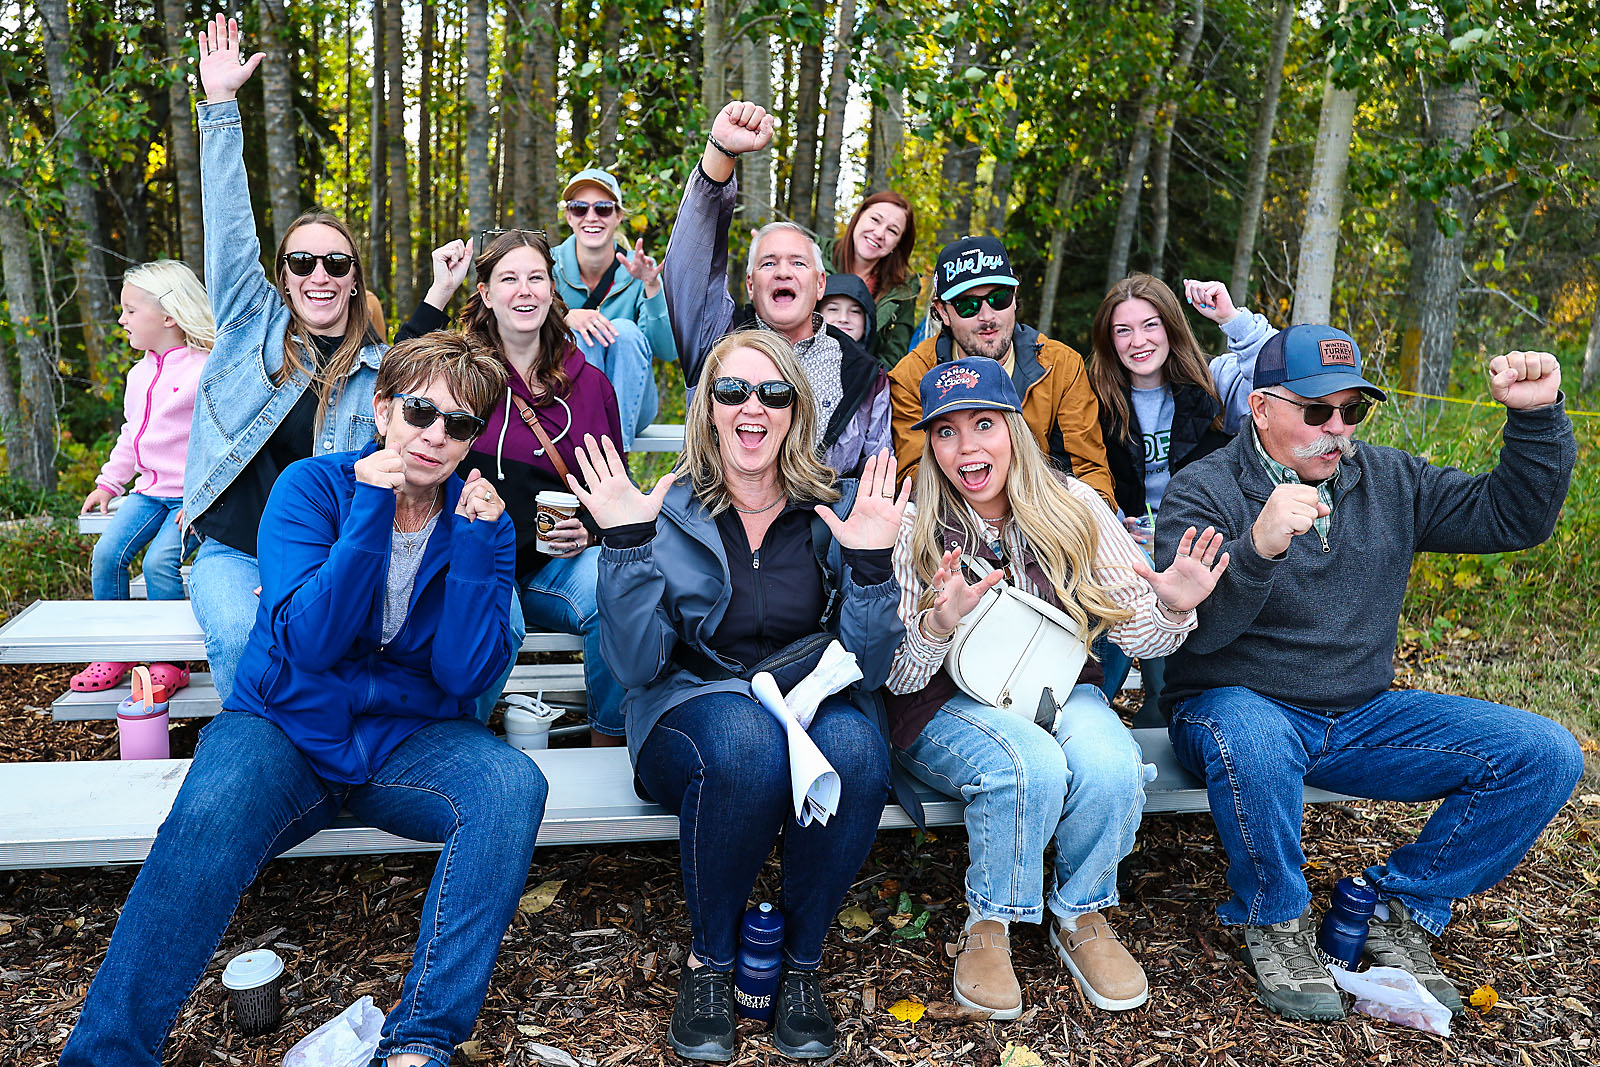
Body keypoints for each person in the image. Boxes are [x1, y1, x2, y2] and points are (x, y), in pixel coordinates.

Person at [61, 330, 545, 1067]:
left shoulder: (482, 522)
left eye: (461, 424)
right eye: (420, 411)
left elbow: (462, 674)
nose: (436, 435)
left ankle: (419, 1041)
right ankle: (108, 1054)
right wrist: (371, 509)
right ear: (381, 410)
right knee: (208, 814)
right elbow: (311, 642)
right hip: (283, 723)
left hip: (404, 737)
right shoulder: (312, 488)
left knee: (511, 785)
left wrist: (479, 546)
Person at [1155, 327, 1583, 1022]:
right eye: (1317, 411)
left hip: (1359, 713)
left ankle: (1402, 906)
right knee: (1254, 734)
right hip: (1233, 703)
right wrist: (1258, 548)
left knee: (1545, 752)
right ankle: (1276, 921)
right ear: (1261, 407)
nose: (1337, 429)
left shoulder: (1387, 479)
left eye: (1353, 411)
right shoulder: (1202, 491)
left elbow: (1512, 517)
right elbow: (1194, 636)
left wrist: (1535, 418)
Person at [578, 330, 906, 1061]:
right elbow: (636, 665)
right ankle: (711, 962)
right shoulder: (664, 510)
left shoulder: (837, 509)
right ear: (709, 410)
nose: (752, 406)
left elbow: (869, 667)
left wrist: (873, 564)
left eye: (772, 392)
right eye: (732, 391)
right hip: (691, 707)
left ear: (796, 409)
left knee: (858, 747)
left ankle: (801, 963)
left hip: (809, 701)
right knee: (743, 738)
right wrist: (627, 547)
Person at [884, 356, 1228, 1018]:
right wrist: (937, 622)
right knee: (1030, 762)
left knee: (1111, 760)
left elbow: (1140, 638)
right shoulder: (914, 523)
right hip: (942, 703)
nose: (967, 447)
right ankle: (991, 921)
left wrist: (1175, 607)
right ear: (929, 443)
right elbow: (899, 675)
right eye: (947, 432)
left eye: (984, 423)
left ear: (1015, 427)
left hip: (1054, 685)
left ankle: (1083, 912)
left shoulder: (1074, 507)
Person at [184, 15, 385, 706]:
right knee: (245, 634)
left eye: (336, 262)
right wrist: (220, 108)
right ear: (282, 273)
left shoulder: (380, 372)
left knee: (348, 646)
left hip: (325, 558)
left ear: (356, 278)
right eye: (302, 261)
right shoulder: (249, 325)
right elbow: (230, 222)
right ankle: (264, 768)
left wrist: (308, 567)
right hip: (233, 551)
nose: (318, 275)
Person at [400, 231, 627, 743]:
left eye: (535, 278)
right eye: (508, 279)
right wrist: (440, 291)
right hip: (473, 551)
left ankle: (610, 741)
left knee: (616, 587)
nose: (524, 291)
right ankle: (456, 746)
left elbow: (615, 487)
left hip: (554, 563)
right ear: (484, 293)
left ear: (551, 289)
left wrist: (588, 532)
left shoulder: (589, 386)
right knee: (501, 618)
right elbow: (399, 383)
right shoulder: (463, 373)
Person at [1084, 275, 1275, 720]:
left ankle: (1165, 715)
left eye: (1150, 325)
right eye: (1123, 330)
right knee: (1119, 595)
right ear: (1109, 340)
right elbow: (1073, 466)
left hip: (1194, 549)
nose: (1138, 341)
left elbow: (1277, 373)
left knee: (1167, 686)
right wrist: (1111, 519)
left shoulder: (1214, 383)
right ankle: (1091, 712)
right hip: (1119, 552)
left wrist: (1231, 318)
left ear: (1171, 326)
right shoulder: (1093, 395)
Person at [664, 100, 890, 477]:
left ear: (820, 284)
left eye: (798, 263)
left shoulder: (864, 375)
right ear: (751, 285)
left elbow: (873, 484)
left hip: (819, 532)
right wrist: (720, 154)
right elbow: (689, 269)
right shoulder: (717, 339)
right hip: (718, 526)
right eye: (769, 263)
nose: (783, 272)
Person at [72, 260, 212, 697]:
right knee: (107, 556)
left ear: (168, 315)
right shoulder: (139, 374)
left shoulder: (206, 369)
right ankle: (116, 648)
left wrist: (205, 498)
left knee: (158, 563)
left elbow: (218, 443)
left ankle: (171, 660)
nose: (122, 319)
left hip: (192, 499)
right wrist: (108, 484)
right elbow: (133, 434)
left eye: (131, 310)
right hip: (149, 493)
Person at [889, 235, 1115, 505]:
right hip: (958, 528)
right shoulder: (912, 377)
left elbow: (1090, 475)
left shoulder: (1061, 366)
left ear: (1015, 297)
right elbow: (916, 483)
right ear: (943, 312)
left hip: (1049, 519)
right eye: (967, 305)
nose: (987, 317)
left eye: (999, 298)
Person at [551, 166, 677, 447]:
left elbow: (666, 351)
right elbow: (521, 329)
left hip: (632, 405)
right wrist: (566, 318)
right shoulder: (547, 266)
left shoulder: (640, 268)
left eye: (604, 208)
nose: (592, 217)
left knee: (625, 330)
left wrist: (652, 288)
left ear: (618, 216)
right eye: (580, 208)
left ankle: (616, 460)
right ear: (569, 216)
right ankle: (591, 459)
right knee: (582, 339)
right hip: (563, 399)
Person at [818, 192, 920, 368]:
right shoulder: (812, 254)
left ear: (898, 244)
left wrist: (868, 382)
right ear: (858, 217)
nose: (880, 233)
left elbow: (894, 354)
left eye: (892, 231)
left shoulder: (903, 289)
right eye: (875, 219)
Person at [818, 273, 875, 347]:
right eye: (833, 309)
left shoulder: (871, 359)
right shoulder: (799, 357)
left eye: (855, 311)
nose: (843, 319)